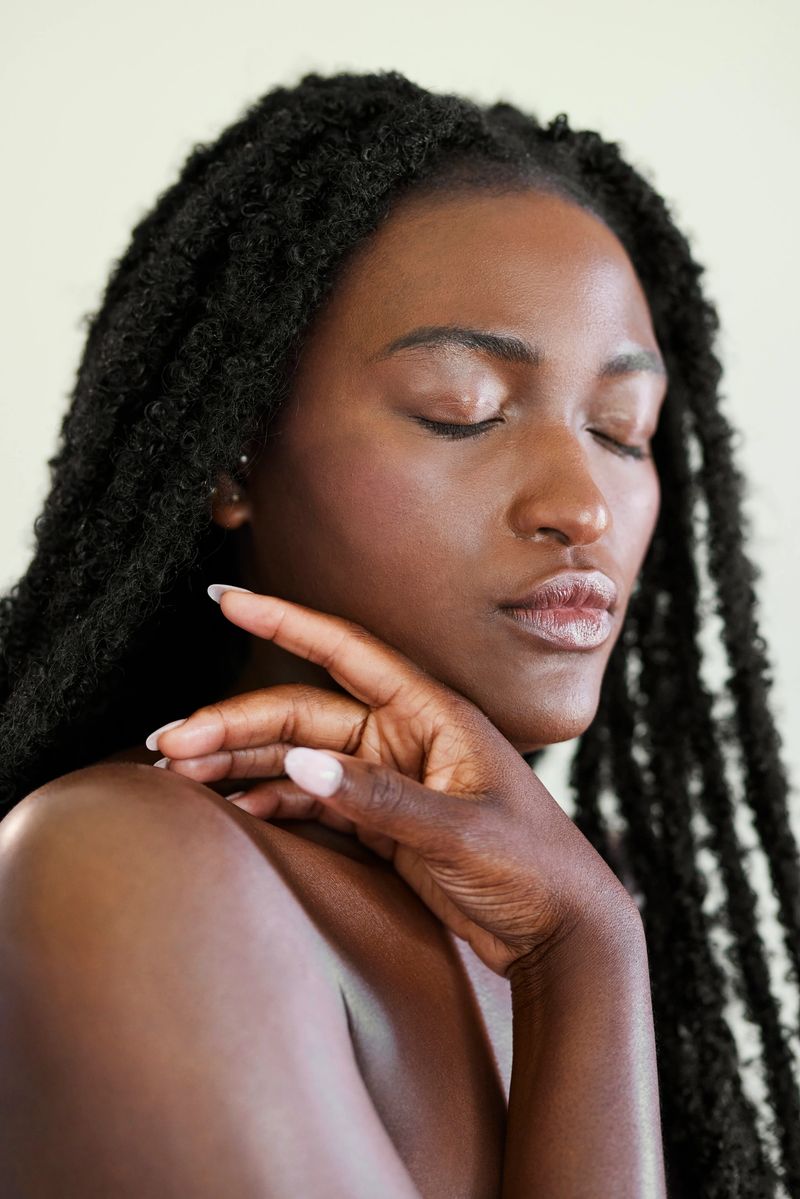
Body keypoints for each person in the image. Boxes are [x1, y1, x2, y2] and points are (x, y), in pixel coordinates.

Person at [0, 68, 797, 1199]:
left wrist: (591, 950)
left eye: (622, 430)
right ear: (231, 455)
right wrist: (583, 962)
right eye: (462, 408)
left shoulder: (551, 905)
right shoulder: (122, 865)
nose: (582, 504)